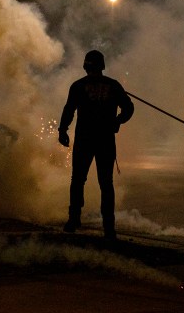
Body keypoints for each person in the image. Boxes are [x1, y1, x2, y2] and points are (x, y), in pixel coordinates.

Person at [58, 50, 134, 240]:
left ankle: (74, 219)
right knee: (106, 183)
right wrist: (117, 121)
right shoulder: (113, 85)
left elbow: (69, 110)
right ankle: (109, 226)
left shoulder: (78, 86)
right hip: (105, 140)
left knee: (77, 180)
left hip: (85, 139)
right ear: (102, 66)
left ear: (85, 66)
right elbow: (129, 108)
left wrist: (62, 130)